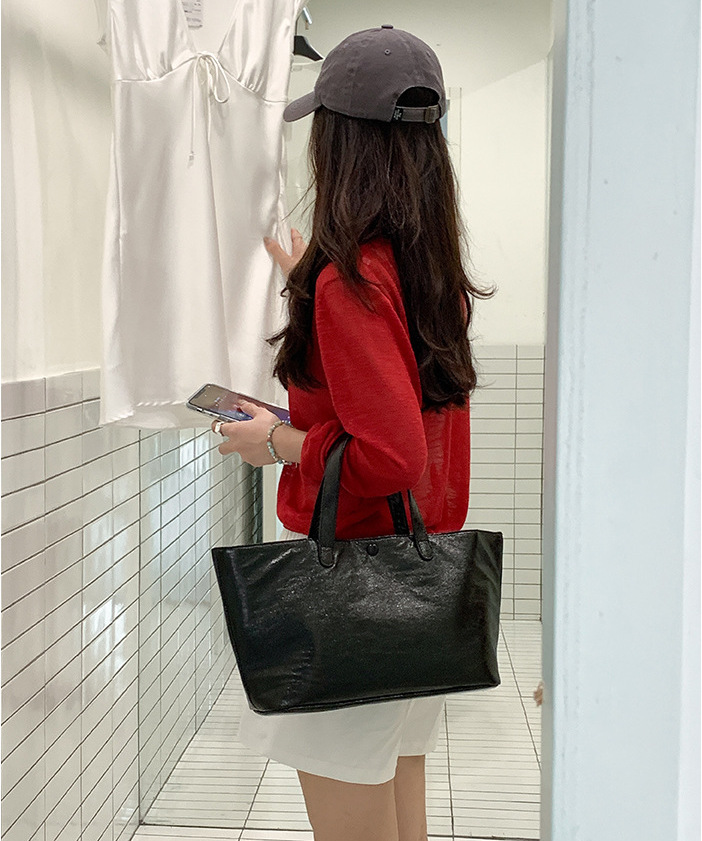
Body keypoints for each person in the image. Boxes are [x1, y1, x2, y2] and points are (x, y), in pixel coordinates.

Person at [211, 24, 495, 841]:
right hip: (419, 582)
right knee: (400, 806)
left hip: (353, 592)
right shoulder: (428, 269)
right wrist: (312, 286)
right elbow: (397, 416)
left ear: (341, 143)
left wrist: (275, 441)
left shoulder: (353, 280)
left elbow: (390, 454)